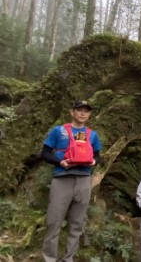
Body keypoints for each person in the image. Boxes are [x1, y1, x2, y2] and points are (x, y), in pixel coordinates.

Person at [41, 100, 102, 262]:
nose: (83, 113)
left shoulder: (92, 134)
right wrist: (59, 162)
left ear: (89, 114)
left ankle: (68, 259)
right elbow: (45, 153)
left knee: (77, 223)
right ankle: (49, 259)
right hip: (62, 178)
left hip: (84, 180)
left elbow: (97, 155)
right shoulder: (58, 131)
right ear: (72, 112)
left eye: (86, 111)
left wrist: (95, 161)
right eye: (79, 110)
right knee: (54, 221)